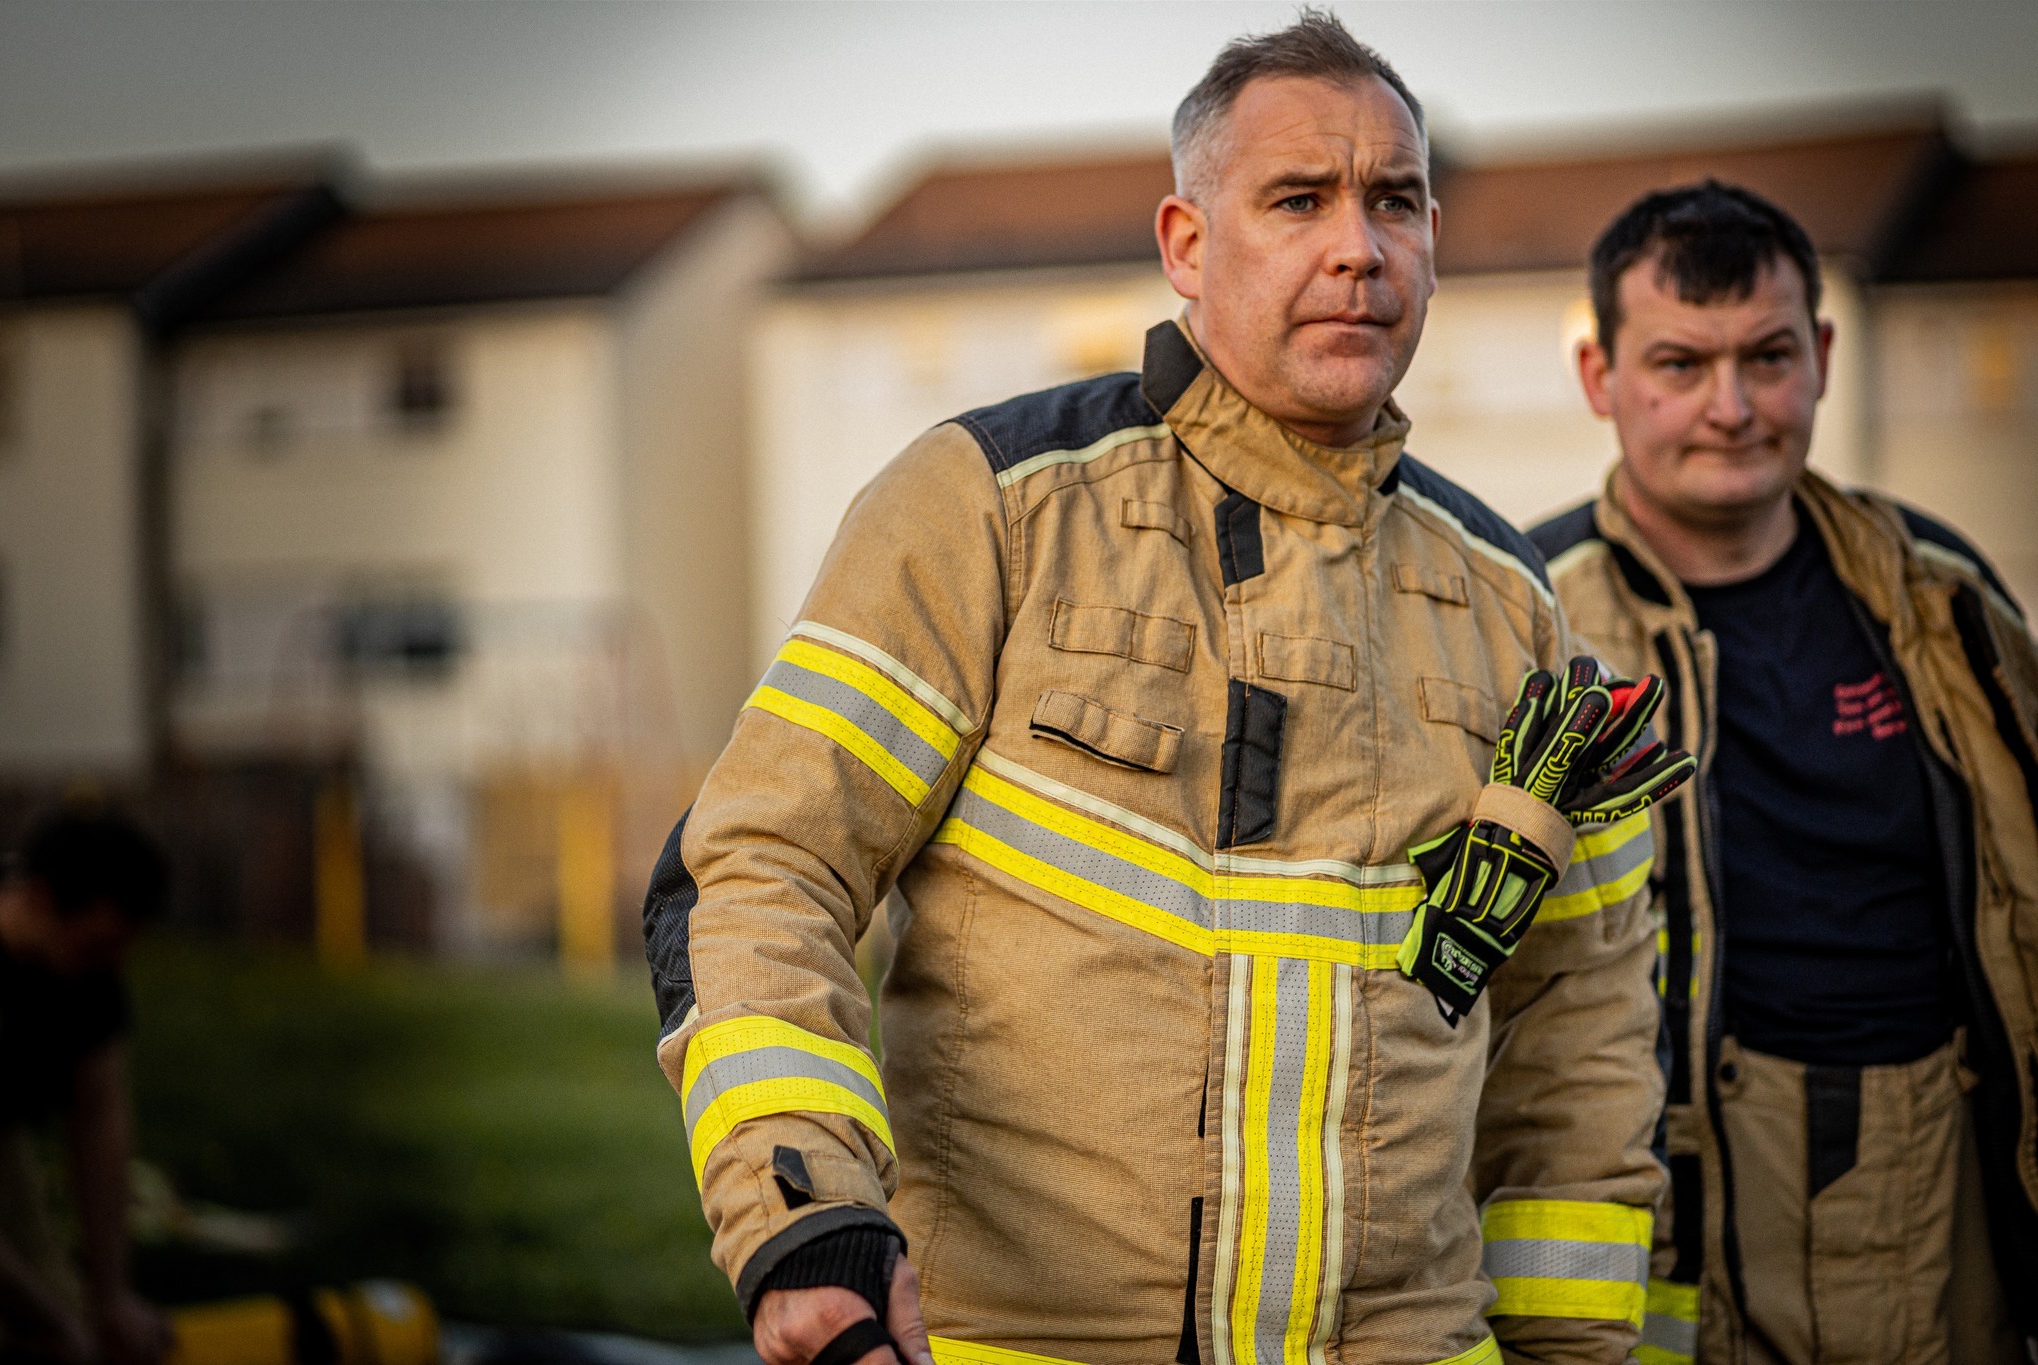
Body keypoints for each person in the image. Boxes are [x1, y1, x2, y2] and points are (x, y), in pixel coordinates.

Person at [647, 13, 1680, 1364]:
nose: (1359, 247)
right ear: (1189, 245)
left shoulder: (1512, 609)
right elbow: (761, 869)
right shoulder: (988, 511)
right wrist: (805, 1217)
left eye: (1398, 203)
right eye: (1299, 200)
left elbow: (1581, 1041)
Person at [1528, 182, 2038, 1364]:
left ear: (1818, 355)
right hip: (1676, 1216)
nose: (1730, 407)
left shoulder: (1940, 594)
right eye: (1678, 364)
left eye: (1765, 356)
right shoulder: (1527, 617)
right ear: (1598, 377)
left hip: (1947, 1186)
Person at [0, 807, 171, 1365]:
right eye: (99, 947)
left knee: (79, 1315)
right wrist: (53, 1322)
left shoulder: (89, 973)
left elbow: (99, 1119)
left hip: (0, 1130)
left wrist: (112, 1297)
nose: (112, 969)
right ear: (40, 899)